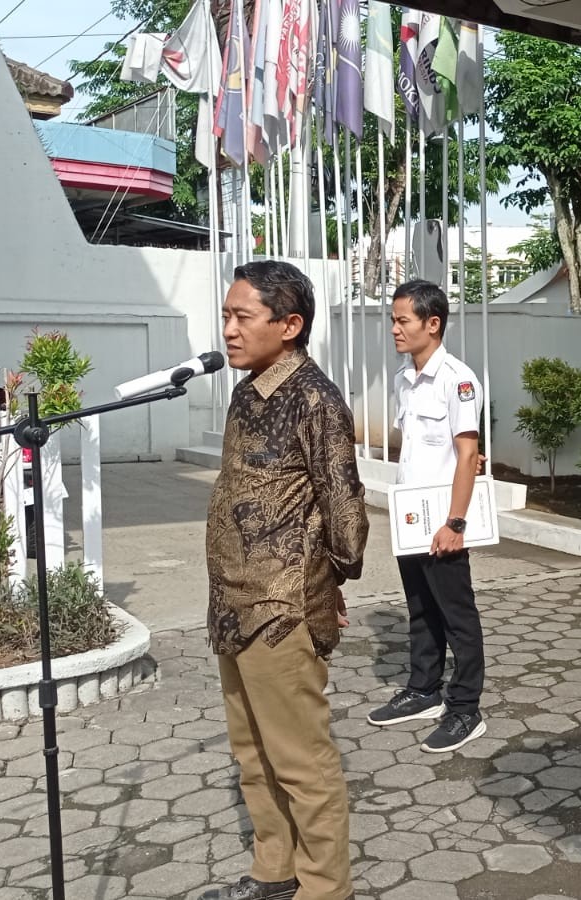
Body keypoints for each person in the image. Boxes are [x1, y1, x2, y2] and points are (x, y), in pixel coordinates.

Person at [206, 261, 367, 900]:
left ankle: (326, 889)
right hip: (230, 601)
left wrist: (330, 583)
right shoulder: (247, 391)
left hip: (281, 607)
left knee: (301, 761)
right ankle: (275, 872)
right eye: (227, 315)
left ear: (290, 325)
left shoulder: (315, 400)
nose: (229, 329)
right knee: (252, 753)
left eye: (242, 317)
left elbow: (345, 512)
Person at [367, 279, 488, 753]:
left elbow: (467, 453)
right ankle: (424, 691)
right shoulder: (405, 378)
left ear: (432, 323)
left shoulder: (457, 380)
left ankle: (466, 709)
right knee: (420, 609)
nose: (394, 329)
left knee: (458, 617)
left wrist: (455, 524)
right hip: (411, 518)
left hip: (443, 522)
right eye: (392, 320)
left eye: (403, 320)